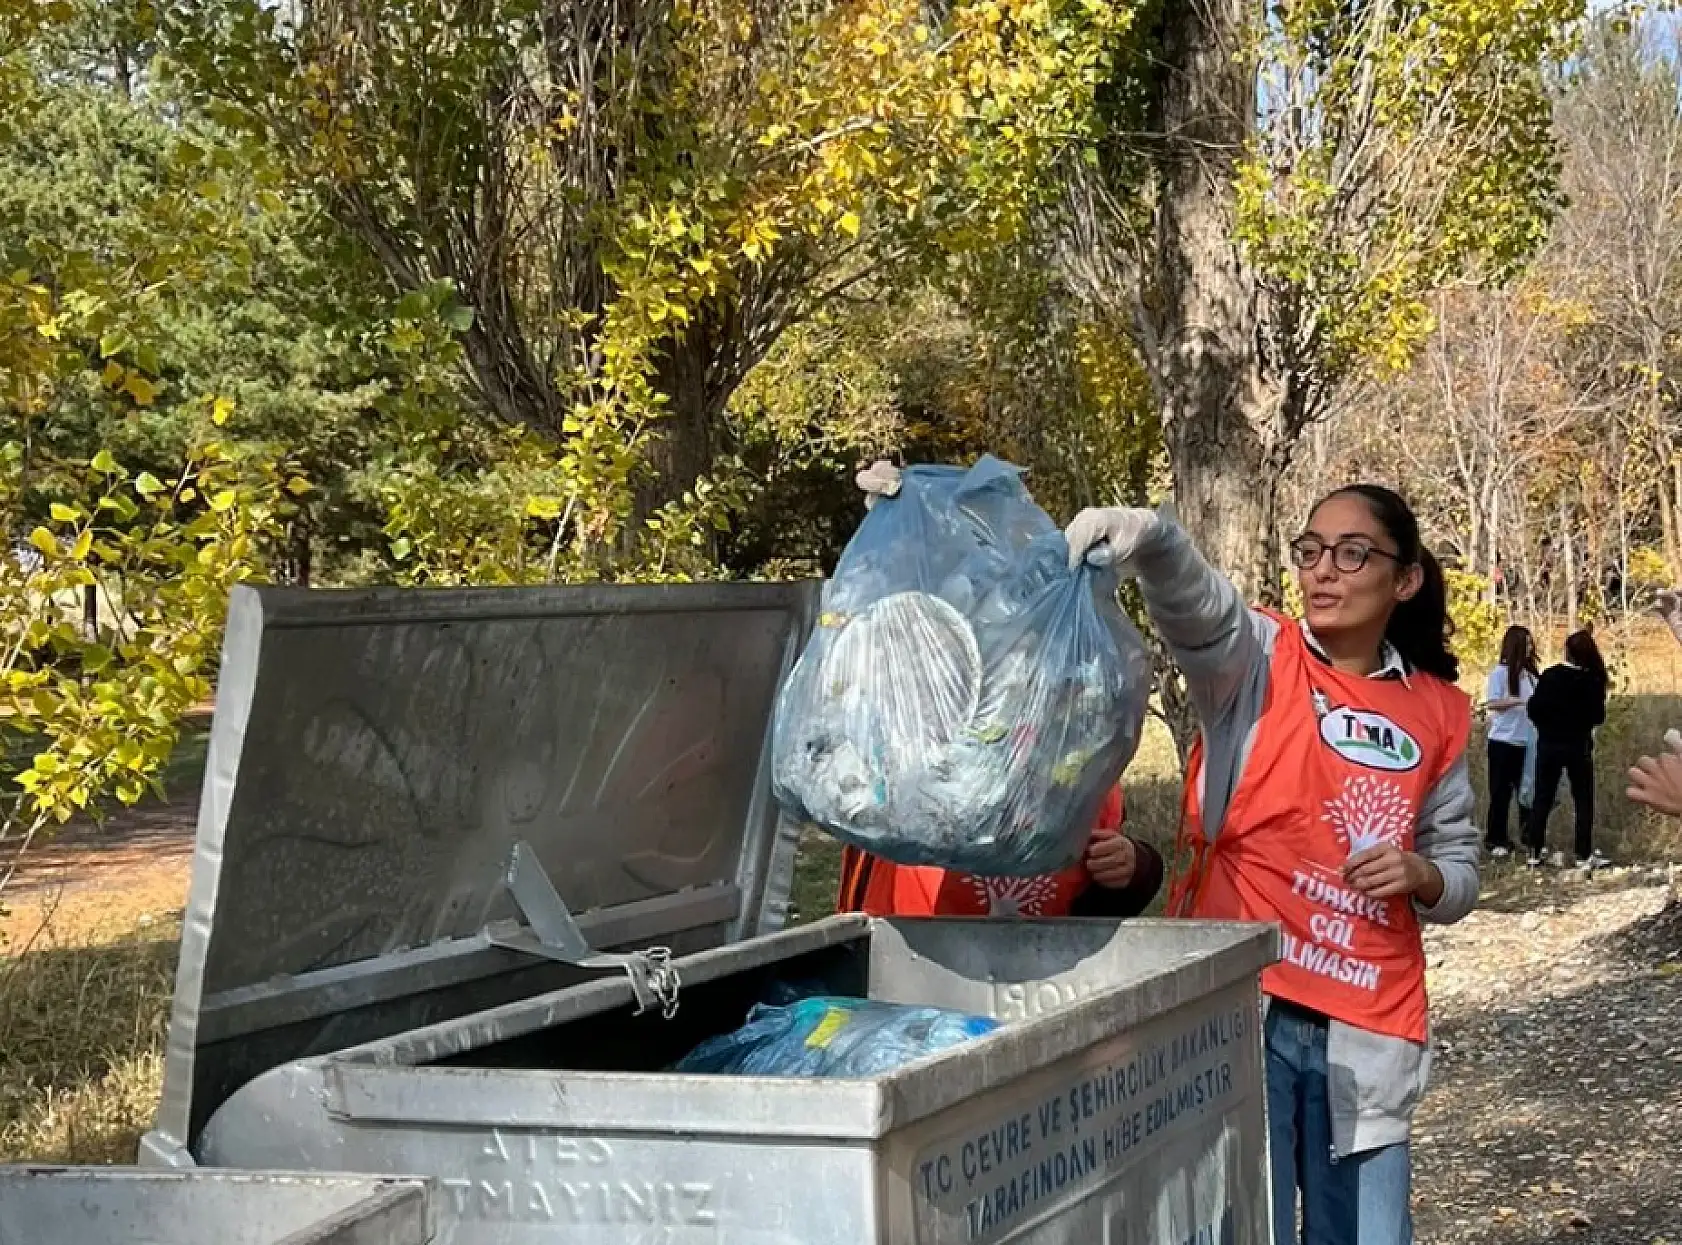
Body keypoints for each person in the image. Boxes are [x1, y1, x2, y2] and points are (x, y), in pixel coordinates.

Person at [859, 467, 1478, 1245]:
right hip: (1244, 999)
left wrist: (1423, 874)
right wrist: (1157, 542)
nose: (1323, 570)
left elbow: (1459, 870)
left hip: (1372, 1019)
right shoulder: (1258, 660)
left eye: (1353, 553)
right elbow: (1200, 612)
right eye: (1311, 549)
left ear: (1407, 577)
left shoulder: (1440, 712)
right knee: (1246, 1225)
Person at [836, 785, 1165, 918]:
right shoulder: (920, 738)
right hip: (915, 962)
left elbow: (1106, 879)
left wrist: (1135, 867)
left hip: (1043, 981)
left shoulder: (1081, 762)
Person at [1524, 630, 1609, 869]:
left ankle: (1534, 851)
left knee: (1542, 797)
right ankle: (1583, 854)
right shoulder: (1592, 680)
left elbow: (1533, 710)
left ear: (1567, 652)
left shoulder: (1551, 676)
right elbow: (1598, 716)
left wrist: (1548, 726)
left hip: (1549, 744)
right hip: (1578, 745)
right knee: (1582, 800)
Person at [1482, 625, 1538, 858]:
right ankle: (1496, 839)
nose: (1529, 648)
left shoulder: (1531, 675)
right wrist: (1514, 702)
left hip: (1527, 743)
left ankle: (1529, 836)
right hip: (1503, 742)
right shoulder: (1500, 673)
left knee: (1527, 793)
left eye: (1530, 644)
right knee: (1500, 793)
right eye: (1524, 644)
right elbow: (1492, 703)